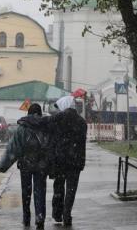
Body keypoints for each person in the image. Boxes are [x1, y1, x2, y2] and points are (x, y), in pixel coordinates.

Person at [0, 103, 49, 228]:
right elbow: (51, 147)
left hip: (26, 164)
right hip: (42, 165)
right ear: (40, 113)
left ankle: (26, 217)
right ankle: (40, 217)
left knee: (26, 192)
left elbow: (13, 149)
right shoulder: (46, 127)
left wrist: (3, 166)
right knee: (40, 191)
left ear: (28, 113)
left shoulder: (22, 128)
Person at [39, 95, 87, 227]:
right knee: (71, 190)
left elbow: (44, 125)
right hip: (76, 162)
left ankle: (57, 213)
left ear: (64, 106)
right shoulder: (82, 122)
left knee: (58, 187)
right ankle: (67, 215)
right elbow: (82, 144)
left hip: (60, 161)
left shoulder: (57, 119)